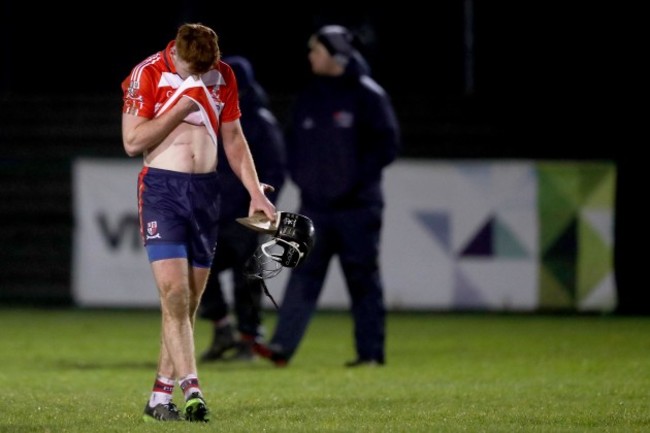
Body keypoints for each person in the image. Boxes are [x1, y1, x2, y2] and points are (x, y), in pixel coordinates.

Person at [120, 23, 276, 422]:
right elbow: (133, 142)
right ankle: (193, 389)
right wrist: (182, 107)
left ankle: (159, 397)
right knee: (173, 294)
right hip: (162, 193)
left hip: (206, 193)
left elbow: (234, 137)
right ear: (177, 54)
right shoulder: (148, 74)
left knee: (187, 303)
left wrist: (255, 191)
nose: (200, 77)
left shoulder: (221, 74)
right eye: (193, 70)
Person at [254, 25, 400, 367]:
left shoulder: (368, 95)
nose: (310, 56)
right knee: (301, 275)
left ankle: (370, 355)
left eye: (316, 50)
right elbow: (292, 146)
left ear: (336, 54)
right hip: (315, 208)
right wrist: (306, 181)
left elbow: (387, 145)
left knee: (362, 280)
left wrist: (353, 182)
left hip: (358, 208)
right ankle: (281, 348)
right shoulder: (310, 97)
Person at [198, 55, 286, 362]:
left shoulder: (259, 122)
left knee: (246, 277)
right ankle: (222, 328)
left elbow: (275, 169)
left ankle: (249, 338)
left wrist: (260, 199)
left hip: (246, 214)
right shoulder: (210, 116)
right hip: (212, 212)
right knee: (197, 269)